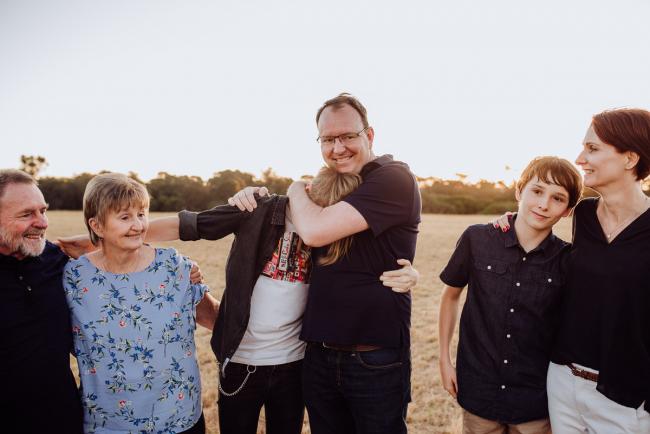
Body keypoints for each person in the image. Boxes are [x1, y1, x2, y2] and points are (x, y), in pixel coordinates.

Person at [60, 166, 418, 434]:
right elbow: (190, 226)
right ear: (306, 196)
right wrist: (99, 238)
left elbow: (377, 266)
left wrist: (410, 275)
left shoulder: (345, 233)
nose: (326, 225)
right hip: (241, 360)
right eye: (320, 213)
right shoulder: (261, 210)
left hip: (295, 362)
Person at [229, 93, 421, 434]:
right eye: (328, 139)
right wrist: (248, 196)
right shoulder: (328, 185)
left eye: (347, 136)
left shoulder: (393, 178)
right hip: (316, 355)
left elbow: (315, 231)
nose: (338, 148)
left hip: (373, 356)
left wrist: (293, 186)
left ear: (370, 135)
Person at [63, 173, 218, 433]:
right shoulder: (74, 278)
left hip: (178, 419)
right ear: (97, 226)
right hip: (108, 424)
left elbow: (213, 317)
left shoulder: (173, 266)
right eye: (125, 217)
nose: (138, 225)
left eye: (142, 214)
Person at [438, 156, 582, 434]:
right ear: (519, 191)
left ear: (567, 211)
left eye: (558, 198)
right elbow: (450, 295)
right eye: (537, 191)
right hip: (479, 390)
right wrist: (444, 360)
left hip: (536, 400)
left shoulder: (568, 260)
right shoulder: (477, 239)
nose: (543, 204)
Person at [546, 109, 650, 432]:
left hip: (626, 401)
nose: (580, 158)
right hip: (563, 384)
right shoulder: (585, 215)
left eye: (592, 149)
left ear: (630, 158)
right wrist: (501, 227)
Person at [0, 169, 84, 434]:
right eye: (27, 214)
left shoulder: (59, 262)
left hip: (65, 420)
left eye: (43, 211)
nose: (42, 222)